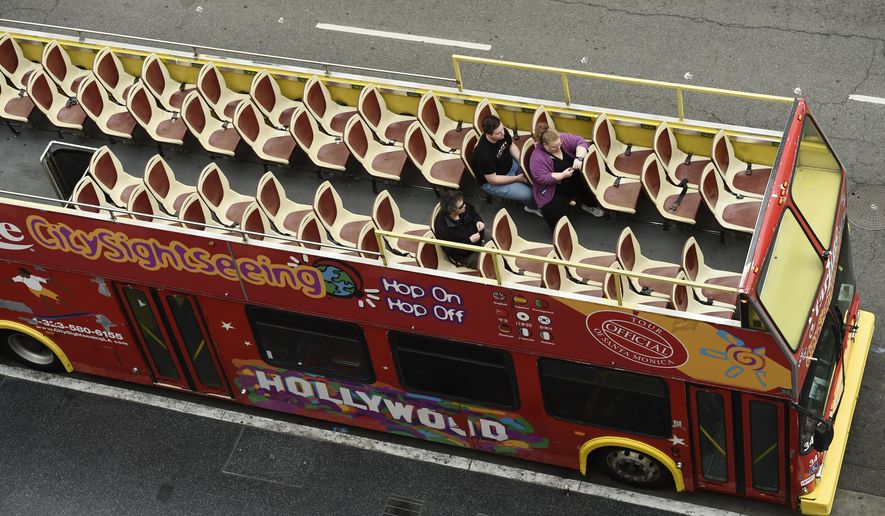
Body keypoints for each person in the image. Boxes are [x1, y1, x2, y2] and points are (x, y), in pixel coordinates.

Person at [529, 124, 605, 229]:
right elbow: (542, 178)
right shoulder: (537, 158)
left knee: (585, 184)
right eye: (554, 147)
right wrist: (562, 175)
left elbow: (581, 141)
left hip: (573, 178)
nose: (558, 147)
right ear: (544, 145)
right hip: (554, 189)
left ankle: (588, 205)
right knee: (551, 211)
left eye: (559, 144)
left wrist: (579, 158)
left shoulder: (561, 139)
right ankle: (559, 230)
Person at [471, 115, 542, 216]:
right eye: (498, 133)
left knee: (536, 174)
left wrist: (522, 163)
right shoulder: (483, 154)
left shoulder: (502, 132)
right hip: (494, 182)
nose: (503, 133)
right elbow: (493, 179)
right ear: (488, 134)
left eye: (502, 129)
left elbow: (511, 145)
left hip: (510, 165)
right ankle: (532, 207)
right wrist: (517, 179)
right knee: (529, 194)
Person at [433, 190, 485, 268]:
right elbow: (452, 251)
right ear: (452, 210)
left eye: (463, 203)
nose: (464, 206)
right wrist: (469, 241)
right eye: (461, 207)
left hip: (478, 241)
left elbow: (474, 214)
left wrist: (479, 221)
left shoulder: (463, 206)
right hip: (467, 254)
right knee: (491, 265)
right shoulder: (443, 229)